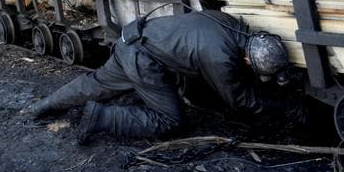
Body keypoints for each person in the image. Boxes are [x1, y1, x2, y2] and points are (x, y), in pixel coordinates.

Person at [26, 9, 307, 144]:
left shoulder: (230, 24)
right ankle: (103, 118)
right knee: (171, 122)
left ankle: (41, 107)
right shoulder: (220, 58)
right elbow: (241, 101)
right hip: (145, 59)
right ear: (248, 58)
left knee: (96, 83)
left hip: (136, 39)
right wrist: (288, 110)